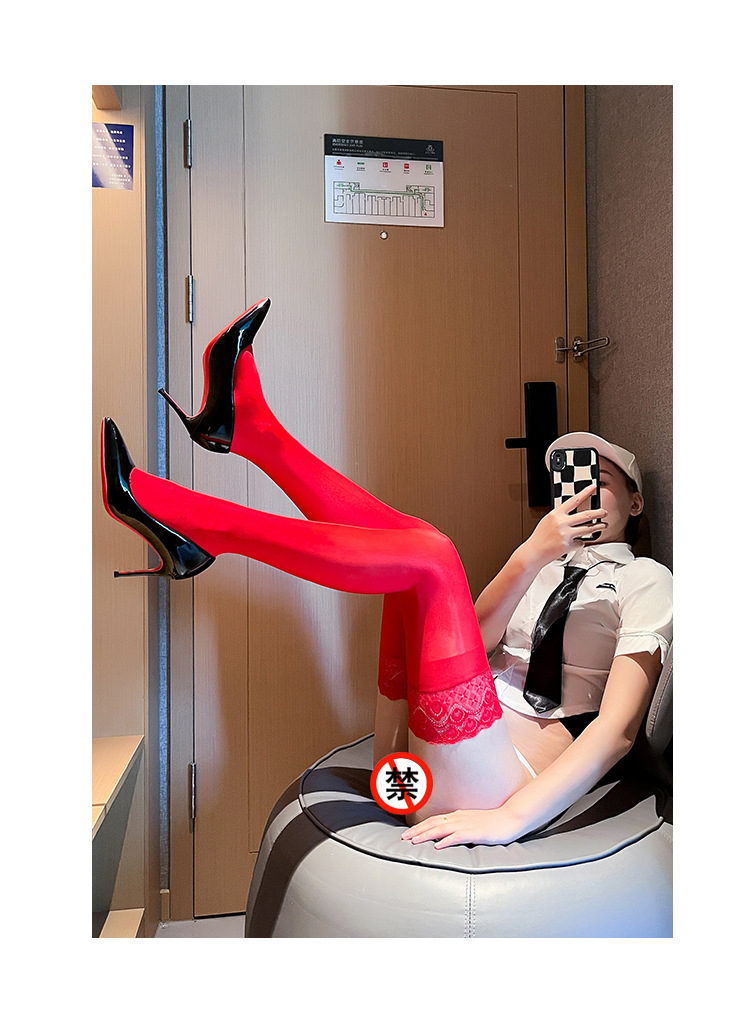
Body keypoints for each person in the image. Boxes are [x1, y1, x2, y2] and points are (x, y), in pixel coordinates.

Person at [101, 299, 672, 849]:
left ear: (636, 501)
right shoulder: (545, 564)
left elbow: (617, 731)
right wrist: (531, 555)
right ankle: (249, 435)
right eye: (571, 482)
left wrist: (510, 820)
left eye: (598, 480)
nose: (582, 493)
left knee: (432, 556)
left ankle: (209, 508)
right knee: (416, 543)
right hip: (412, 760)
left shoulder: (647, 579)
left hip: (492, 781)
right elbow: (471, 642)